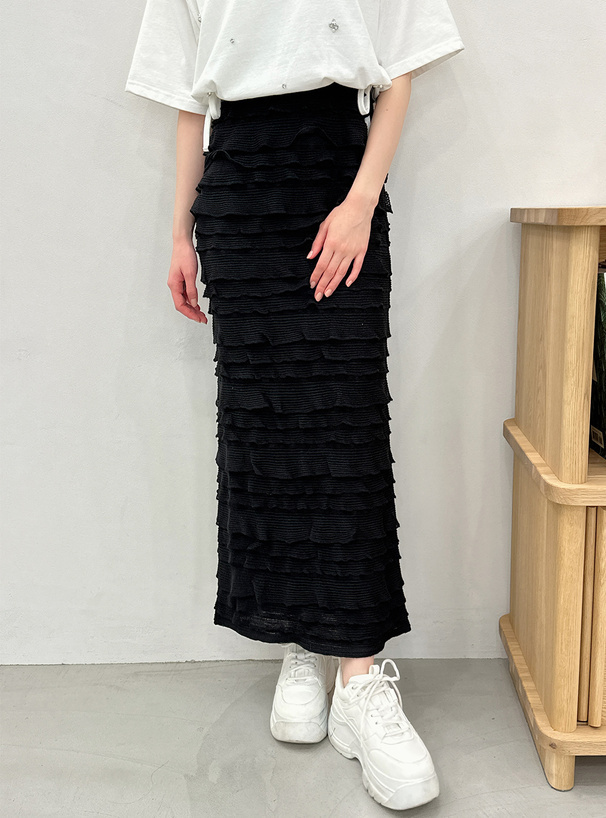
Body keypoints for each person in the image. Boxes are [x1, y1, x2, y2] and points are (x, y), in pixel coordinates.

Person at [125, 0, 464, 810]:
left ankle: (358, 674)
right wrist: (178, 233)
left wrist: (360, 200)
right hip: (238, 188)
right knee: (264, 430)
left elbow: (400, 65)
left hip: (337, 171)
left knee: (346, 429)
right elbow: (189, 95)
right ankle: (301, 643)